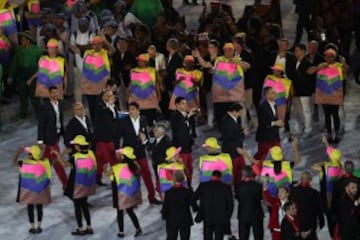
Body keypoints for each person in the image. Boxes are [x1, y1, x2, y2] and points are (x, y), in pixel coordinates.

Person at [117, 102, 161, 204]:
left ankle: (152, 197)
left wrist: (146, 143)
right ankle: (132, 199)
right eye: (130, 109)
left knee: (147, 174)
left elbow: (145, 134)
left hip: (141, 151)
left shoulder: (143, 119)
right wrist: (118, 151)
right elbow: (117, 137)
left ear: (138, 110)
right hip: (129, 153)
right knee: (131, 177)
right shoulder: (123, 121)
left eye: (133, 109)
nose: (131, 111)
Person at [52, 135, 96, 235]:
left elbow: (64, 165)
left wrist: (58, 155)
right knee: (84, 205)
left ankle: (80, 228)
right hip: (88, 184)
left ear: (77, 146)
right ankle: (89, 227)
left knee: (77, 207)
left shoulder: (75, 157)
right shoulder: (91, 153)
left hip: (77, 185)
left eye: (75, 145)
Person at [104, 146, 142, 238]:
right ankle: (138, 228)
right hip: (131, 194)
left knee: (120, 212)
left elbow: (105, 174)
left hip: (120, 194)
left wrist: (104, 167)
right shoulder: (135, 165)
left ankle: (121, 231)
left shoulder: (116, 167)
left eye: (120, 154)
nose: (118, 155)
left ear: (123, 156)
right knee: (130, 211)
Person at [13, 145, 51, 234]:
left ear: (30, 155)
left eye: (28, 153)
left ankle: (33, 227)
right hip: (41, 189)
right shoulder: (45, 162)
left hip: (30, 190)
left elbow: (14, 162)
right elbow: (52, 161)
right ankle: (39, 226)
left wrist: (18, 153)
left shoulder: (24, 163)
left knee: (30, 207)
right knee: (39, 207)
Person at [313, 48, 348, 143]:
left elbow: (346, 70)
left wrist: (344, 62)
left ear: (334, 57)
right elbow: (312, 72)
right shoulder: (322, 66)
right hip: (324, 95)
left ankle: (336, 133)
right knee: (327, 115)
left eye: (331, 56)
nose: (328, 58)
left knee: (335, 115)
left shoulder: (339, 66)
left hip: (335, 95)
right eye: (327, 56)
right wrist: (318, 68)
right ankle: (329, 133)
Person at [312, 136, 344, 238]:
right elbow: (330, 151)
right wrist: (326, 142)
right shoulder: (339, 165)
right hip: (338, 198)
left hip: (328, 199)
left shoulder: (327, 169)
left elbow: (313, 166)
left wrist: (328, 206)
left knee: (332, 222)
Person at [37, 86, 67, 188]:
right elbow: (41, 124)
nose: (55, 95)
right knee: (57, 162)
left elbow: (60, 121)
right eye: (53, 93)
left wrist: (64, 134)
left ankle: (39, 183)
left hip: (57, 135)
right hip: (49, 138)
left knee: (46, 162)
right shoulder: (45, 107)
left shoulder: (61, 104)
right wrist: (40, 140)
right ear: (49, 94)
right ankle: (66, 184)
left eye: (56, 92)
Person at [9, 30, 42, 119]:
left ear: (28, 40)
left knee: (34, 95)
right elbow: (14, 63)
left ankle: (39, 114)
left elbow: (41, 64)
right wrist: (11, 76)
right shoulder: (19, 50)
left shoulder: (37, 49)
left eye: (23, 39)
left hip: (33, 72)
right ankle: (23, 112)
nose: (21, 41)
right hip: (21, 73)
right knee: (22, 94)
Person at [192, 170, 234, 240]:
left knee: (207, 237)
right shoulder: (226, 187)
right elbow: (230, 205)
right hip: (221, 218)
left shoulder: (203, 186)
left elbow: (193, 199)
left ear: (211, 176)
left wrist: (198, 210)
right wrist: (227, 216)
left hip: (206, 216)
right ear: (220, 178)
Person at [212, 43, 246, 127]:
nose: (228, 52)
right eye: (226, 50)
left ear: (233, 51)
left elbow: (245, 68)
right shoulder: (219, 59)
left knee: (235, 112)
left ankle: (237, 131)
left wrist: (235, 61)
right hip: (221, 92)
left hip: (234, 93)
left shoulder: (238, 60)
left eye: (230, 50)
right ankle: (223, 132)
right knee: (222, 113)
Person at [81, 36, 112, 124]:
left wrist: (106, 41)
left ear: (102, 45)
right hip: (90, 86)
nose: (96, 46)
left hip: (102, 87)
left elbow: (113, 51)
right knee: (92, 107)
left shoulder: (105, 53)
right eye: (94, 44)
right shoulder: (87, 53)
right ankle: (94, 125)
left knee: (102, 106)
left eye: (99, 44)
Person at [170, 97, 198, 185]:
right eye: (183, 103)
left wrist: (192, 141)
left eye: (186, 103)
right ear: (177, 105)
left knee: (190, 169)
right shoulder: (174, 116)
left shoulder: (187, 115)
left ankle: (189, 186)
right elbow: (179, 130)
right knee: (182, 169)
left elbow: (188, 131)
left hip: (188, 147)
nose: (185, 105)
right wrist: (187, 117)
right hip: (180, 148)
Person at [128, 53, 161, 127]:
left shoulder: (153, 71)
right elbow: (131, 84)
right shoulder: (133, 71)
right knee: (138, 121)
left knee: (150, 122)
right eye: (138, 61)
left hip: (151, 100)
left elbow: (157, 84)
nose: (138, 62)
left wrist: (159, 95)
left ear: (146, 62)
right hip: (136, 100)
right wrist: (127, 94)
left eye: (141, 61)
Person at [94, 89, 118, 185]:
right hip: (103, 138)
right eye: (108, 96)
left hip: (111, 137)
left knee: (101, 160)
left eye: (111, 96)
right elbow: (101, 117)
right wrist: (108, 105)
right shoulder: (100, 106)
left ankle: (97, 178)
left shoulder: (113, 106)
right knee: (112, 159)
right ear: (103, 96)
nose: (110, 98)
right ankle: (115, 178)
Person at [140, 122, 172, 195]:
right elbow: (151, 149)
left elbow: (155, 149)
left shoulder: (166, 141)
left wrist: (145, 141)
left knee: (165, 187)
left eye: (156, 130)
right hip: (157, 167)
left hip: (164, 168)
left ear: (161, 132)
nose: (154, 132)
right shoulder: (157, 139)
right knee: (160, 187)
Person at [292, 171, 325, 240]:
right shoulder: (315, 193)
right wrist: (322, 222)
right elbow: (319, 210)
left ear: (301, 179)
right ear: (310, 180)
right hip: (310, 225)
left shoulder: (294, 191)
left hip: (296, 224)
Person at [162, 171, 194, 240]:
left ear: (173, 179)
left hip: (172, 221)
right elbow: (194, 206)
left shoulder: (168, 193)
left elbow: (165, 208)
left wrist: (164, 216)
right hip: (185, 220)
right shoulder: (187, 192)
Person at [235, 166, 264, 240]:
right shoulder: (258, 186)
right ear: (252, 173)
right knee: (258, 237)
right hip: (257, 215)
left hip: (243, 215)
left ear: (243, 174)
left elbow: (237, 198)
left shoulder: (238, 186)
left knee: (243, 237)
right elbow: (262, 197)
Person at [254, 87, 282, 161]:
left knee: (278, 156)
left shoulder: (275, 105)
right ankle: (253, 170)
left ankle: (278, 171)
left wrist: (279, 123)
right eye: (272, 92)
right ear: (266, 95)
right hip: (265, 137)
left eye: (275, 92)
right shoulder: (262, 107)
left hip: (275, 136)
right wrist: (276, 123)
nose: (275, 94)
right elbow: (262, 123)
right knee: (261, 156)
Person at [220, 103, 246, 185]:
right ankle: (233, 188)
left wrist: (241, 132)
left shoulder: (232, 119)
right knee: (233, 172)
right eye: (240, 112)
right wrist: (243, 133)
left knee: (239, 170)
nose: (241, 114)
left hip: (237, 150)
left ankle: (237, 186)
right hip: (232, 151)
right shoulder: (227, 121)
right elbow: (229, 137)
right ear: (234, 111)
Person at [292, 43, 314, 138]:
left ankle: (308, 129)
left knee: (306, 110)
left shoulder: (307, 62)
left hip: (305, 91)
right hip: (296, 90)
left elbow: (308, 76)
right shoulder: (294, 61)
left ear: (303, 51)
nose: (295, 52)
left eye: (297, 50)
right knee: (297, 111)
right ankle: (299, 127)